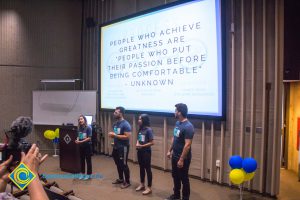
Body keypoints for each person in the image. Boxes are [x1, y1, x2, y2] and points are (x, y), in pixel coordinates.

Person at [165, 103, 195, 200]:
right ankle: (176, 195)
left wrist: (181, 159)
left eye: (175, 111)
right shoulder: (178, 123)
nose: (174, 112)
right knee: (175, 176)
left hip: (183, 158)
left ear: (180, 112)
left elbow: (187, 145)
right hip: (175, 155)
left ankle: (185, 198)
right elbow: (175, 138)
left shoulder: (188, 126)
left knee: (184, 179)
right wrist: (170, 150)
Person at [108, 106, 131, 189]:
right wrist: (114, 140)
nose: (114, 113)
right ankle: (121, 179)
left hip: (123, 148)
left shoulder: (126, 124)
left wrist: (114, 135)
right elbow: (117, 136)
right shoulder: (115, 123)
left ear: (121, 113)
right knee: (118, 164)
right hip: (116, 147)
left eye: (116, 112)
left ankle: (127, 182)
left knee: (124, 164)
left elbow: (127, 136)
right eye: (114, 112)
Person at [135, 114, 154, 195]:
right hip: (140, 152)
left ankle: (149, 188)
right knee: (141, 168)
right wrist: (137, 143)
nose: (138, 120)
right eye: (138, 119)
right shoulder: (140, 129)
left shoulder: (149, 130)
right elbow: (138, 139)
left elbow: (152, 142)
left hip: (146, 152)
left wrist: (142, 146)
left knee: (148, 169)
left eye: (140, 119)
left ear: (144, 120)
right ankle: (142, 184)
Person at [75, 115, 92, 180]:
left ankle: (88, 174)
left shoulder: (88, 128)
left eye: (81, 119)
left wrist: (81, 142)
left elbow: (89, 138)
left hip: (87, 146)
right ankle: (82, 173)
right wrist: (77, 140)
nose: (80, 120)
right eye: (79, 119)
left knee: (88, 161)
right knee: (81, 160)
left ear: (84, 120)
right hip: (81, 146)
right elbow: (78, 136)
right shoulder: (79, 128)